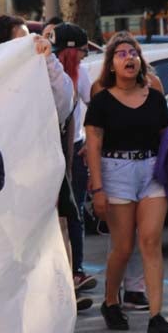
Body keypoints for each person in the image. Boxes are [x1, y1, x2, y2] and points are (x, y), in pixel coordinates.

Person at [0, 15, 79, 333]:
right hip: (0, 178)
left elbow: (65, 104)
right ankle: (13, 331)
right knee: (13, 255)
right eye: (20, 39)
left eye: (29, 38)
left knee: (48, 253)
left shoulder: (42, 69)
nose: (29, 43)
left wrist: (48, 59)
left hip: (41, 174)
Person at [85, 34, 168, 333]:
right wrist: (98, 189)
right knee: (123, 247)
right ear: (111, 64)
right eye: (121, 53)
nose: (129, 58)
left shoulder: (154, 93)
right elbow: (93, 144)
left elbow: (165, 132)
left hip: (152, 170)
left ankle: (156, 314)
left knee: (151, 241)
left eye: (134, 53)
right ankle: (111, 301)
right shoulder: (101, 98)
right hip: (116, 171)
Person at [50, 24, 95, 292]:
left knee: (73, 213)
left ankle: (75, 269)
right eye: (81, 52)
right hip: (48, 150)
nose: (83, 58)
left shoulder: (83, 75)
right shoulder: (45, 72)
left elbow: (97, 107)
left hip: (73, 149)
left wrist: (91, 141)